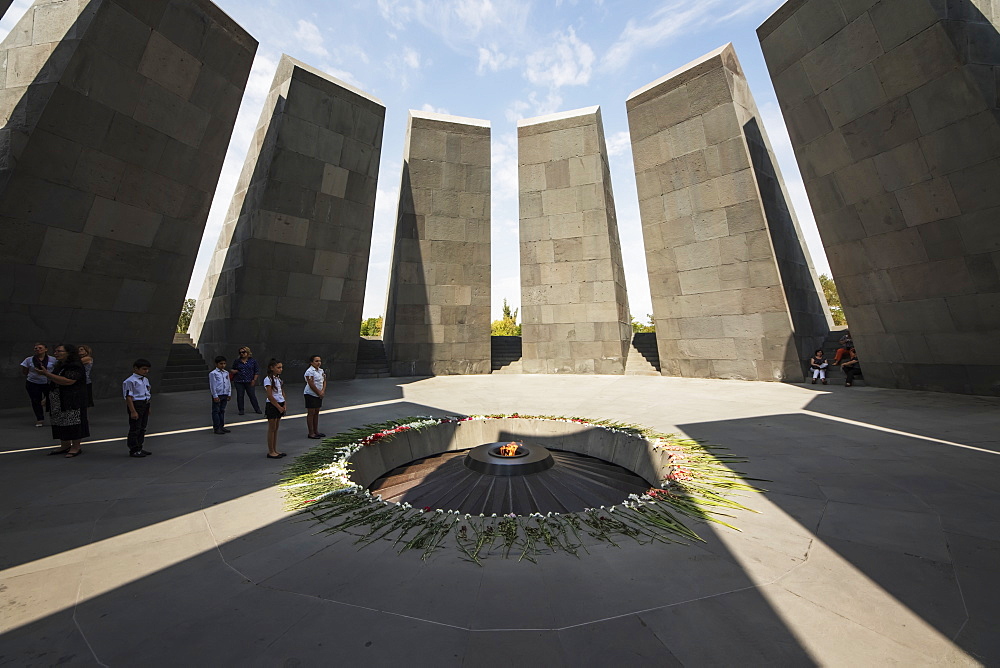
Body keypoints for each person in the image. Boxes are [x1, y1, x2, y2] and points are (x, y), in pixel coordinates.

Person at [36, 344, 89, 457]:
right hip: (57, 399)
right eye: (55, 351)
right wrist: (47, 397)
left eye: (59, 351)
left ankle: (76, 447)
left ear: (68, 353)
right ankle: (64, 444)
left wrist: (46, 374)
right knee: (59, 421)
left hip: (72, 399)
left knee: (73, 421)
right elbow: (54, 382)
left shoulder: (75, 365)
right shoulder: (59, 365)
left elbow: (68, 381)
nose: (56, 353)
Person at [123, 359, 153, 458]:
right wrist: (133, 411)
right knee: (135, 428)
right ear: (136, 368)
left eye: (147, 369)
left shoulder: (145, 380)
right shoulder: (130, 381)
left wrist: (148, 406)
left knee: (142, 427)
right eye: (144, 369)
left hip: (144, 403)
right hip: (136, 404)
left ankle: (139, 447)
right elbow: (128, 397)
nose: (146, 371)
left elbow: (147, 393)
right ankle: (134, 449)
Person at [21, 342, 55, 427]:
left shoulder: (53, 359)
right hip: (33, 382)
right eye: (36, 348)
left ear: (45, 349)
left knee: (52, 399)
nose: (38, 350)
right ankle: (40, 419)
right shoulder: (29, 359)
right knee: (36, 400)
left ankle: (54, 418)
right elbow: (25, 371)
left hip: (48, 382)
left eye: (40, 348)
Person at [263, 358, 286, 459]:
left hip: (280, 403)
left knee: (276, 428)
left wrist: (284, 404)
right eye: (278, 367)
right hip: (272, 405)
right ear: (272, 368)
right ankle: (271, 451)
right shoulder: (268, 379)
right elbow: (270, 395)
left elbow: (281, 392)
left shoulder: (278, 379)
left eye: (281, 367)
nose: (280, 369)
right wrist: (278, 406)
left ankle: (275, 449)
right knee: (272, 428)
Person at [231, 346, 261, 415]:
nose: (242, 354)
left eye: (243, 352)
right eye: (240, 352)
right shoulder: (237, 361)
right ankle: (241, 410)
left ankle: (257, 408)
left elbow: (256, 371)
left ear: (247, 352)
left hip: (249, 380)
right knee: (240, 395)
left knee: (252, 395)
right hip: (239, 380)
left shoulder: (253, 361)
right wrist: (234, 371)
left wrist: (254, 380)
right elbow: (232, 369)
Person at [304, 354, 327, 439]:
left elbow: (324, 381)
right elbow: (311, 383)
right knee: (311, 413)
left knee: (316, 412)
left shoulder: (321, 371)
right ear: (311, 362)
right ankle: (311, 432)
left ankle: (316, 431)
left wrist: (322, 391)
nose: (318, 363)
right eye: (316, 361)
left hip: (319, 394)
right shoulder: (310, 371)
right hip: (310, 394)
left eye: (319, 361)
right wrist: (318, 392)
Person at [209, 355, 232, 435]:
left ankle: (221, 426)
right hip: (218, 394)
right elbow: (212, 385)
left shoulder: (226, 373)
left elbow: (228, 383)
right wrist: (215, 395)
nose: (223, 365)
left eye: (224, 364)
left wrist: (229, 393)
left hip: (224, 393)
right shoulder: (213, 373)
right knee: (216, 411)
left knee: (222, 410)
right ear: (216, 364)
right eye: (221, 364)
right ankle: (217, 427)